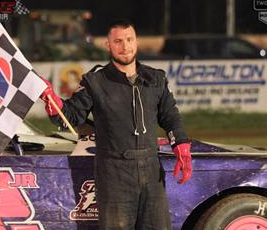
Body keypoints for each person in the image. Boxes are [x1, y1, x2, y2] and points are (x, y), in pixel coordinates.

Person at [41, 19, 192, 230]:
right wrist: (51, 99)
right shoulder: (95, 81)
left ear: (136, 42)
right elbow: (70, 116)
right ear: (108, 45)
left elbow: (170, 116)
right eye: (118, 41)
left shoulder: (155, 78)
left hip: (151, 172)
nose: (125, 46)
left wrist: (181, 145)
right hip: (114, 175)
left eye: (129, 40)